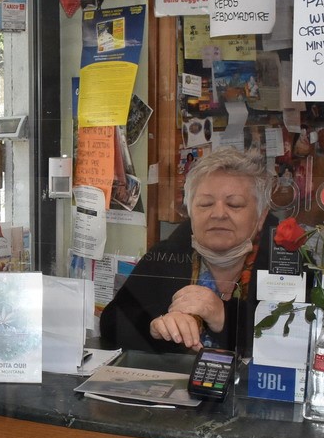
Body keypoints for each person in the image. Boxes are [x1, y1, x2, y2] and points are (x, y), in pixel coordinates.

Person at [100, 148, 277, 355]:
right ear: (191, 211)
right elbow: (111, 323)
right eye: (205, 204)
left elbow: (295, 342)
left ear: (261, 217)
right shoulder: (165, 256)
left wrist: (224, 317)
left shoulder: (283, 264)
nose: (218, 214)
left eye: (234, 204)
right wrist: (155, 329)